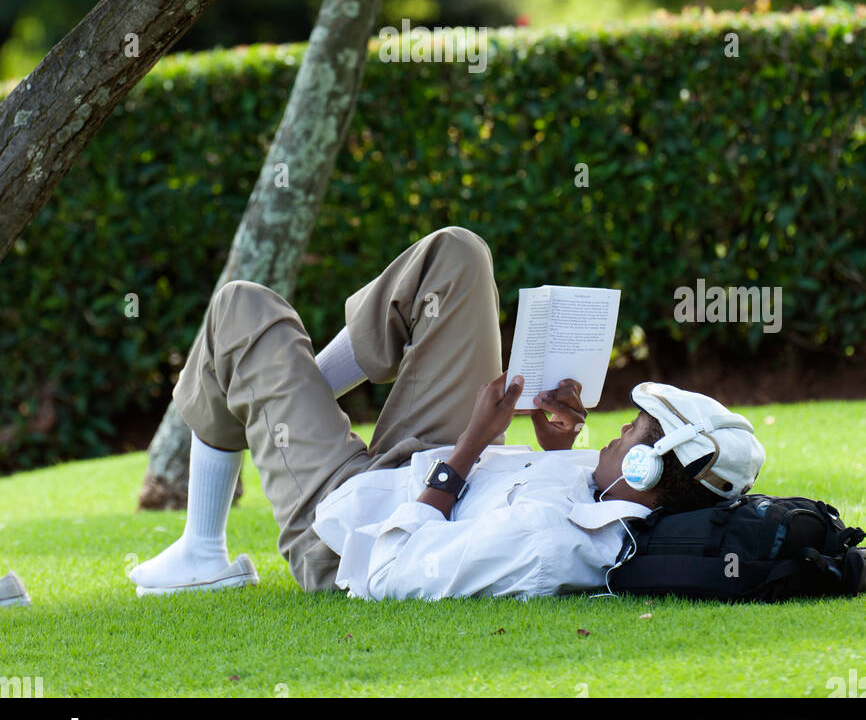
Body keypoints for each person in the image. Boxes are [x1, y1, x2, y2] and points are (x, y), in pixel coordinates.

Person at [128, 226, 765, 602]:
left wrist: (470, 448)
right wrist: (550, 445)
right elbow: (534, 490)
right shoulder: (613, 493)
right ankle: (279, 395)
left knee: (241, 308)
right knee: (457, 255)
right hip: (427, 459)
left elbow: (391, 570)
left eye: (632, 432)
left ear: (648, 468)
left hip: (346, 526)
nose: (619, 428)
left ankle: (203, 548)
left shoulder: (546, 546)